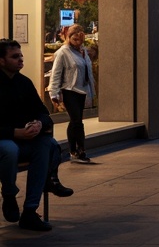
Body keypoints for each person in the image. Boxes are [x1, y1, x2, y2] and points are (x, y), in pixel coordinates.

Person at [0, 38, 74, 231]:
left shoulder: (24, 83)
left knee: (47, 145)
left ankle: (30, 211)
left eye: (21, 55)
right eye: (15, 56)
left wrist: (39, 123)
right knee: (9, 150)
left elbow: (42, 112)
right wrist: (14, 132)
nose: (21, 60)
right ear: (1, 61)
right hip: (5, 140)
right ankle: (9, 195)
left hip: (24, 138)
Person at [48, 23, 96, 163]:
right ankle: (79, 151)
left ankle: (74, 150)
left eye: (80, 39)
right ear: (68, 37)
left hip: (81, 90)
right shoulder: (63, 52)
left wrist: (91, 91)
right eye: (74, 39)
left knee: (75, 121)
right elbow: (56, 74)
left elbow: (88, 72)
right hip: (69, 90)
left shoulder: (83, 51)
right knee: (77, 121)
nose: (77, 42)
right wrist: (54, 93)